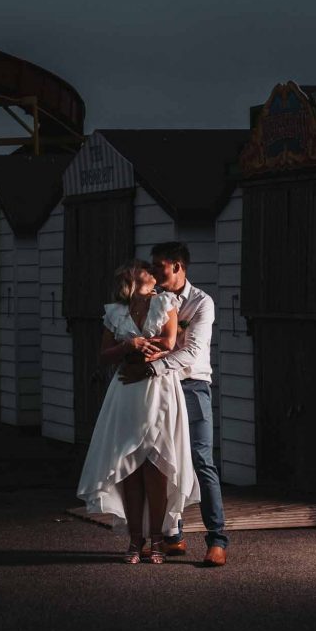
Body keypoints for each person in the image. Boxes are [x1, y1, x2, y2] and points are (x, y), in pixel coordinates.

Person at [77, 259, 200, 565]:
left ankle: (158, 540)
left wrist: (143, 346)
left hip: (159, 388)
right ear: (130, 278)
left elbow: (170, 341)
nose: (149, 270)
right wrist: (128, 346)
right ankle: (135, 541)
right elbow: (105, 354)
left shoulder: (165, 303)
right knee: (129, 466)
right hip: (126, 392)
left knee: (156, 465)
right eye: (142, 268)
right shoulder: (115, 313)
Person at [119, 242, 229, 567]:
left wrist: (152, 364)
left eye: (159, 266)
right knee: (159, 461)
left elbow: (193, 352)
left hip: (192, 385)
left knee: (201, 459)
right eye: (151, 266)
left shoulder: (201, 303)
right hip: (157, 388)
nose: (153, 271)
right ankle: (172, 535)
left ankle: (218, 540)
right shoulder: (149, 301)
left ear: (178, 266)